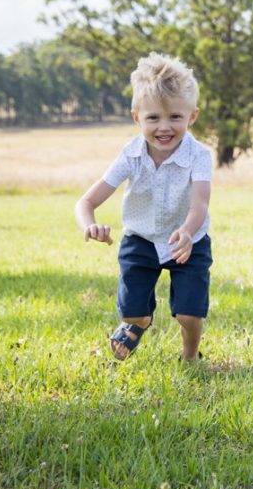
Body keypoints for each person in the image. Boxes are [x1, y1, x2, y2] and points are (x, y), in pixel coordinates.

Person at [74, 52, 214, 363]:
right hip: (141, 241)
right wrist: (89, 225)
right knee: (134, 313)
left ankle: (190, 357)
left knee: (189, 314)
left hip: (188, 241)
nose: (164, 127)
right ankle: (139, 323)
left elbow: (200, 202)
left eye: (175, 117)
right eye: (153, 118)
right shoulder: (131, 155)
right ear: (137, 118)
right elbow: (86, 201)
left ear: (192, 116)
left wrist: (189, 233)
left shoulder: (199, 155)